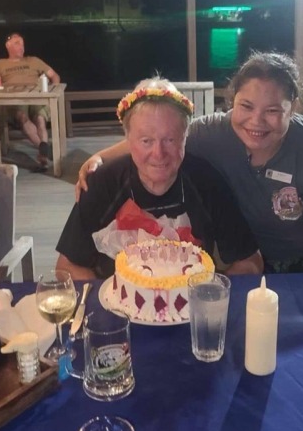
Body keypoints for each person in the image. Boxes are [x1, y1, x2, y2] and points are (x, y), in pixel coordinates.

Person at [78, 52, 303, 273]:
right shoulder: (211, 133)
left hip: (301, 262)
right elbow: (160, 137)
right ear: (232, 101)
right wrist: (100, 157)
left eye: (272, 110)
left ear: (291, 108)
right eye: (246, 106)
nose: (256, 121)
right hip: (242, 255)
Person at [57, 78, 263, 281]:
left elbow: (250, 263)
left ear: (185, 136)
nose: (158, 153)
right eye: (146, 141)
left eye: (170, 140)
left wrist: (211, 293)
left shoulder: (208, 182)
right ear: (128, 140)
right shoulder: (103, 183)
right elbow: (66, 267)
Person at [0, 33, 60, 170]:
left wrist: (53, 91)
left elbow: (54, 76)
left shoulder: (33, 60)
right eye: (17, 43)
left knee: (40, 118)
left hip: (36, 95)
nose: (21, 47)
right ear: (8, 46)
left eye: (22, 44)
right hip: (15, 98)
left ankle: (43, 152)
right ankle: (44, 149)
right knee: (22, 117)